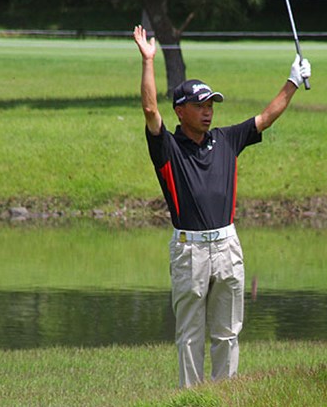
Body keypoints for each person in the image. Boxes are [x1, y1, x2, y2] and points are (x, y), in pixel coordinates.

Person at [133, 25, 311, 388]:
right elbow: (150, 108)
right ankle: (192, 397)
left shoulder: (227, 139)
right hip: (189, 250)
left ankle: (225, 395)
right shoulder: (167, 148)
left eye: (211, 104)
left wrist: (292, 82)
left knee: (228, 333)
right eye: (200, 106)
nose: (208, 112)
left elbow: (265, 118)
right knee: (190, 336)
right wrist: (149, 61)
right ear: (181, 111)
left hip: (227, 247)